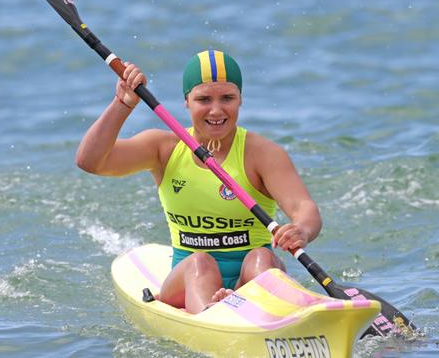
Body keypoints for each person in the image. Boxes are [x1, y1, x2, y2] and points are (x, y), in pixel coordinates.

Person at [76, 49, 322, 314]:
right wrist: (122, 104)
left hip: (251, 278)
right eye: (203, 99)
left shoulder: (262, 154)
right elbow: (90, 161)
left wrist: (301, 231)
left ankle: (240, 306)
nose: (216, 110)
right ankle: (212, 314)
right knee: (200, 263)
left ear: (240, 100)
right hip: (187, 282)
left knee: (262, 257)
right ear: (187, 102)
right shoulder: (164, 148)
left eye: (227, 98)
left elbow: (304, 208)